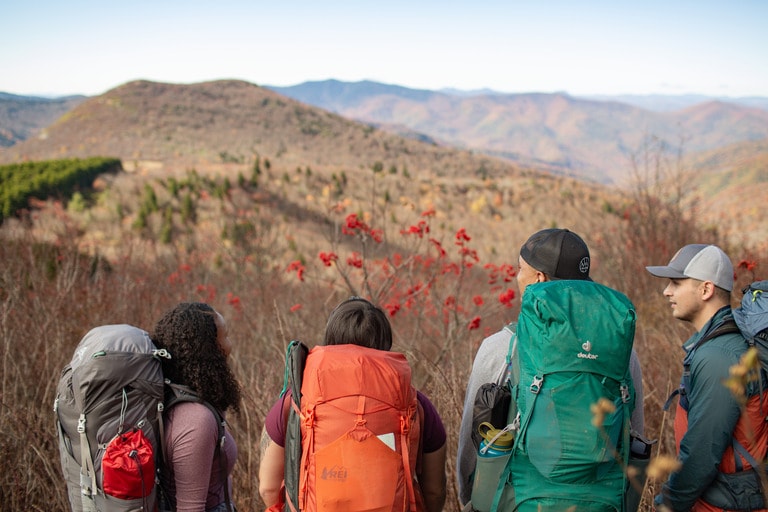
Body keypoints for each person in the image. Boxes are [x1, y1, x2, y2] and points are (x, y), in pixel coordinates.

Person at [457, 228, 646, 509]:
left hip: (523, 501)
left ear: (539, 279)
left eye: (520, 269)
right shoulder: (623, 353)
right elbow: (633, 434)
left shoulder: (502, 347)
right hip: (601, 502)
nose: (516, 277)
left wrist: (469, 497)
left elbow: (472, 445)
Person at [258, 297, 447, 512]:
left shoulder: (296, 400)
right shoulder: (416, 404)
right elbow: (434, 490)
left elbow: (268, 488)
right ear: (385, 344)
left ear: (330, 339)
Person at [646, 244, 768, 512]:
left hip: (725, 505)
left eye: (676, 283)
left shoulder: (719, 356)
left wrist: (668, 503)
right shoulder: (721, 343)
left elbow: (702, 452)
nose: (667, 291)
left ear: (706, 289)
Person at [151, 302, 242, 512]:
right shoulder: (196, 420)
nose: (230, 344)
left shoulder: (184, 400)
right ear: (207, 349)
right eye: (225, 336)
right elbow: (190, 508)